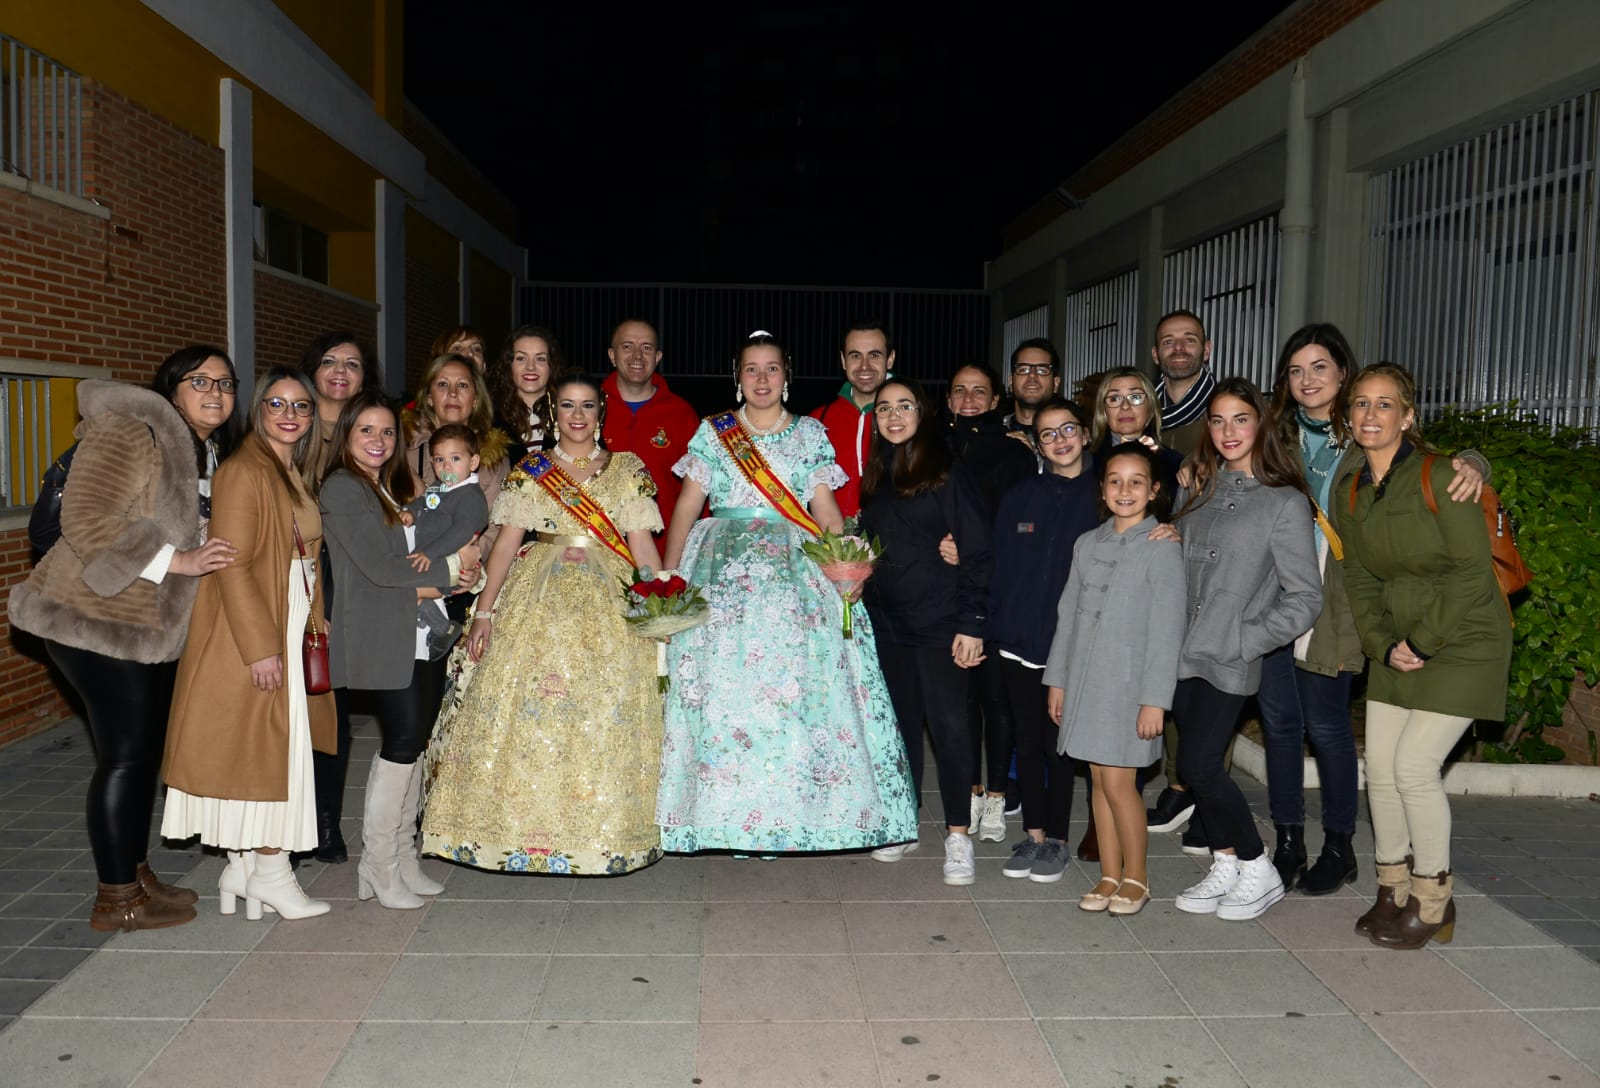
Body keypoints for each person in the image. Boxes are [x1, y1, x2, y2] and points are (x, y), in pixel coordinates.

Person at [9, 347, 243, 931]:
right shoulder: (131, 429)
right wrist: (177, 561)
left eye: (225, 383)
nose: (215, 392)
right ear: (171, 387)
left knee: (139, 757)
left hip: (145, 628)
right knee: (124, 757)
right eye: (200, 381)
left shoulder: (204, 449)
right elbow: (86, 519)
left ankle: (134, 874)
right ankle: (116, 899)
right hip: (95, 618)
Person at [656, 332, 917, 856]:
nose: (762, 379)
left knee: (795, 691)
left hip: (794, 574)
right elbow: (686, 507)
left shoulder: (810, 433)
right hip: (720, 573)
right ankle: (721, 815)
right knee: (724, 693)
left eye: (771, 368)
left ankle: (796, 812)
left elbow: (825, 511)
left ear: (787, 375)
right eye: (751, 369)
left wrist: (845, 565)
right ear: (737, 377)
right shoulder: (714, 431)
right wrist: (669, 577)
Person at [1263, 326, 1490, 896]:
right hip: (1271, 592)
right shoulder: (1274, 434)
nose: (1308, 379)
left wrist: (1475, 463)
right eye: (1296, 370)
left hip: (1341, 597)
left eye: (1320, 367)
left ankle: (1339, 847)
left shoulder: (1364, 432)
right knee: (1281, 725)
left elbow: (1435, 463)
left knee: (1327, 724)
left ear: (1342, 373)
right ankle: (1288, 843)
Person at [422, 376, 668, 874]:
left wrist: (660, 605)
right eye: (568, 406)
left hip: (609, 596)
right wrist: (484, 612)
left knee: (607, 709)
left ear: (601, 412)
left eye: (588, 406)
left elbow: (641, 547)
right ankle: (515, 831)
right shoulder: (532, 470)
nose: (578, 415)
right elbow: (507, 544)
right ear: (554, 413)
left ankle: (603, 834)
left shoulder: (627, 468)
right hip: (537, 593)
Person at [1334, 362, 1511, 949]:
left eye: (1385, 404)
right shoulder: (1350, 488)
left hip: (1464, 638)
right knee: (1381, 769)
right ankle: (1392, 889)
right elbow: (1358, 576)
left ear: (1408, 417)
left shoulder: (1443, 476)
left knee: (1413, 768)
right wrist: (1382, 643)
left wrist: (1421, 642)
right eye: (1361, 403)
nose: (1371, 415)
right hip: (1397, 640)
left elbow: (1472, 573)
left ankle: (1433, 900)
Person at [161, 368, 336, 920]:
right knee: (266, 753)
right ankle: (272, 875)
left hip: (288, 613)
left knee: (263, 751)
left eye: (301, 406)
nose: (289, 414)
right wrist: (261, 648)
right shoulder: (243, 470)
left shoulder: (288, 468)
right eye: (276, 404)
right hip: (258, 623)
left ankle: (242, 869)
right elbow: (232, 566)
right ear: (258, 409)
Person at [321, 390, 480, 909]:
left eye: (387, 431)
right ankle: (379, 863)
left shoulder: (385, 487)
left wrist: (451, 578)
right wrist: (450, 575)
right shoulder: (343, 486)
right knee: (403, 740)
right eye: (366, 430)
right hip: (379, 628)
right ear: (346, 433)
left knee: (414, 741)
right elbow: (377, 568)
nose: (378, 440)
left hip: (413, 629)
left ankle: (403, 856)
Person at [1170, 378, 1321, 922]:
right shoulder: (1196, 488)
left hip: (1230, 657)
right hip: (1180, 652)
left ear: (1261, 424)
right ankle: (1226, 861)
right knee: (1195, 765)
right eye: (1217, 420)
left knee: (1199, 764)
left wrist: (1246, 639)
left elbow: (1305, 597)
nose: (1228, 431)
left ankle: (1259, 867)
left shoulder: (1284, 502)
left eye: (1240, 419)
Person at [858, 378, 991, 884]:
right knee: (901, 727)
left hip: (940, 623)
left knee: (950, 729)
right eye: (884, 408)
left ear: (923, 412)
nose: (894, 416)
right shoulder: (877, 475)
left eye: (904, 406)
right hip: (889, 624)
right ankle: (903, 822)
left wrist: (971, 624)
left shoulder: (946, 471)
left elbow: (977, 550)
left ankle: (958, 836)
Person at [1046, 443, 1184, 915]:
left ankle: (1137, 878)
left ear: (1154, 490)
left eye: (1136, 482)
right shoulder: (1087, 543)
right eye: (1115, 481)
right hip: (1087, 685)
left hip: (1129, 688)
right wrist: (1058, 680)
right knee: (1099, 783)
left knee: (1122, 785)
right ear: (1102, 489)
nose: (1125, 490)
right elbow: (1067, 616)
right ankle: (1109, 874)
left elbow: (1167, 631)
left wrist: (1155, 700)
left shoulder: (1161, 547)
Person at [988, 399, 1098, 883]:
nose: (1060, 440)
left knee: (1059, 748)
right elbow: (999, 566)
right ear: (1037, 444)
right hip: (1018, 643)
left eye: (1068, 429)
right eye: (1048, 434)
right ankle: (1033, 835)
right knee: (1027, 742)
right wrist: (995, 630)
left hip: (1073, 647)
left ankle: (1057, 839)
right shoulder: (1021, 496)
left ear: (1085, 433)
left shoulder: (1105, 496)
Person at [945, 362, 1037, 840]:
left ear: (996, 400)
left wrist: (974, 548)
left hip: (998, 588)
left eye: (979, 391)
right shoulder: (934, 449)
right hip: (947, 592)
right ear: (947, 400)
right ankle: (973, 790)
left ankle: (999, 795)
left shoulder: (1014, 451)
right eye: (959, 391)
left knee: (996, 698)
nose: (969, 400)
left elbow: (1023, 525)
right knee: (961, 701)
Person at [298, 331, 373, 863]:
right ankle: (291, 826)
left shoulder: (372, 430)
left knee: (333, 706)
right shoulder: (291, 426)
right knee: (296, 708)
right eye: (329, 361)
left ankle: (326, 823)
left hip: (353, 581)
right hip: (301, 577)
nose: (340, 371)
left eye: (353, 364)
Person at [406, 352, 511, 558]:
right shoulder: (404, 446)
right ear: (429, 397)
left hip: (464, 567)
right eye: (442, 384)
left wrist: (462, 562)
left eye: (462, 385)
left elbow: (495, 531)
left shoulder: (494, 459)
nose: (452, 393)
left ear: (475, 399)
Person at [599, 318, 700, 532]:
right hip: (602, 543)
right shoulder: (589, 408)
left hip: (664, 545)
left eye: (646, 347)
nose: (637, 355)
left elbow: (700, 491)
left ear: (657, 357)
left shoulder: (681, 414)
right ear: (612, 356)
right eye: (627, 346)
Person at [405, 424, 490, 660]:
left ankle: (443, 628)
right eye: (439, 460)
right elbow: (423, 502)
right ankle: (437, 626)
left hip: (448, 567)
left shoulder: (470, 497)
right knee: (409, 594)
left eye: (455, 458)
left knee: (405, 592)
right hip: (434, 562)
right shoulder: (440, 488)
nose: (447, 466)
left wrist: (430, 553)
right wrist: (411, 512)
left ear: (473, 462)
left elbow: (461, 532)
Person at [810, 319, 896, 518]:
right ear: (843, 360)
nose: (864, 366)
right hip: (828, 535)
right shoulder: (817, 421)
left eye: (874, 355)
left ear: (890, 359)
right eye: (855, 356)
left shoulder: (910, 420)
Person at [1090, 365, 1185, 498]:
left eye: (1135, 397)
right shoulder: (1085, 464)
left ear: (1150, 407)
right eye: (1114, 398)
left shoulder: (1176, 467)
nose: (1125, 406)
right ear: (1103, 411)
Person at [491, 324, 564, 462]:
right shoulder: (490, 420)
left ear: (552, 366)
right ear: (508, 365)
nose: (531, 367)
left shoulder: (569, 415)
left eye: (540, 359)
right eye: (521, 358)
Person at [1151, 309, 1218, 458]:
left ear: (1206, 351)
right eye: (1168, 342)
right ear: (1155, 355)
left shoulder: (1227, 414)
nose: (1179, 348)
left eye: (1189, 340)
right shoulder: (1136, 413)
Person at [1004, 338, 1063, 433]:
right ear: (1011, 382)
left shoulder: (1067, 436)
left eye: (1042, 371)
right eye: (1023, 370)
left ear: (1055, 384)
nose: (1032, 375)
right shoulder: (992, 431)